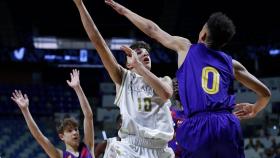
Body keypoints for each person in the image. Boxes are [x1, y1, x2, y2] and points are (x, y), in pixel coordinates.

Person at [105, 1, 272, 157]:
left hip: (198, 124)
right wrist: (255, 109)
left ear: (203, 34)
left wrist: (124, 11)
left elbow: (152, 30)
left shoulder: (186, 47)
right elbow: (265, 93)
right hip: (226, 123)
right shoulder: (232, 64)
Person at [72, 0, 174, 157]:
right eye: (138, 53)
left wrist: (139, 66)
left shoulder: (164, 80)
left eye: (146, 53)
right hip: (131, 148)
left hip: (160, 151)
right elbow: (98, 41)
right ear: (128, 63)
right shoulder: (123, 78)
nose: (145, 54)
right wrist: (80, 4)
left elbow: (166, 93)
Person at [11, 69, 94, 158]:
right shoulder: (59, 155)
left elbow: (88, 116)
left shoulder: (87, 147)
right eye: (70, 131)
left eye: (76, 129)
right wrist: (25, 110)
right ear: (62, 136)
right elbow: (39, 137)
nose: (75, 132)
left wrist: (78, 88)